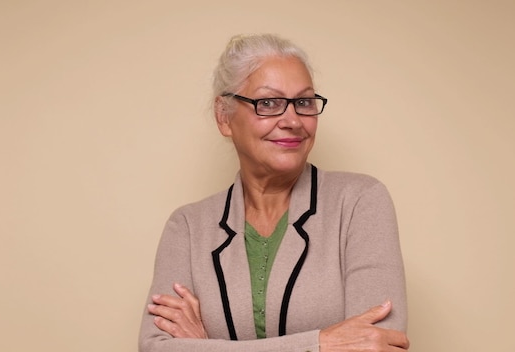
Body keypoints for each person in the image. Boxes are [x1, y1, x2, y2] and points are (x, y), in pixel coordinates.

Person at [139, 33, 409, 352]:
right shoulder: (187, 227)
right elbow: (156, 348)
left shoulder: (360, 202)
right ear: (224, 117)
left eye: (304, 102)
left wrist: (206, 347)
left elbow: (376, 346)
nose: (293, 120)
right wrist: (320, 343)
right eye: (268, 103)